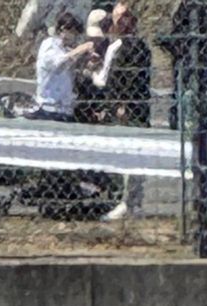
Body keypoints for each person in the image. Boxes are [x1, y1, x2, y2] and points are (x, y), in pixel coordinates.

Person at [91, 3, 152, 219]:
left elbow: (133, 78)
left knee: (133, 155)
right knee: (123, 156)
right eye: (116, 17)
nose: (119, 22)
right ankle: (127, 202)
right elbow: (108, 78)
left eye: (124, 17)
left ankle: (130, 203)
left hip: (130, 110)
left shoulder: (134, 46)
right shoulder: (115, 45)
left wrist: (122, 104)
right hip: (115, 106)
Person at [156, 0, 207, 133]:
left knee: (191, 91)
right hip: (185, 58)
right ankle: (183, 121)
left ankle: (190, 122)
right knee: (183, 92)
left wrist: (172, 42)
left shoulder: (195, 8)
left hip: (190, 59)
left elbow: (189, 37)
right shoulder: (185, 7)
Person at [31, 9, 97, 118]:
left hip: (65, 110)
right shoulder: (49, 45)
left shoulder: (66, 49)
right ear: (63, 29)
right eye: (73, 33)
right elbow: (58, 63)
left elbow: (73, 65)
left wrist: (88, 60)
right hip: (47, 107)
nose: (74, 37)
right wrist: (80, 49)